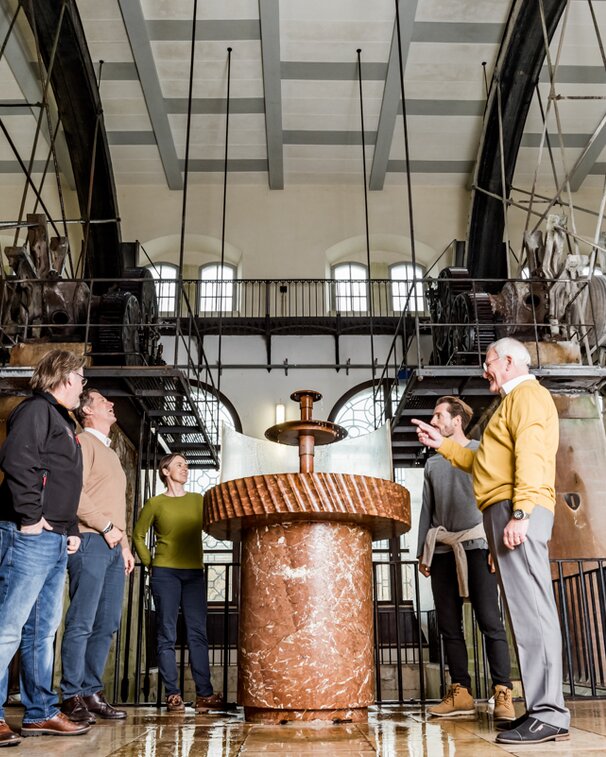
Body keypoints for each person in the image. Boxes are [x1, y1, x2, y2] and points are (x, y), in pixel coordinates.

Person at [413, 337, 570, 745]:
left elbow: (533, 456)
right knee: (523, 614)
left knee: (533, 611)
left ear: (509, 361)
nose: (485, 370)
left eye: (488, 363)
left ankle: (550, 713)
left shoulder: (529, 397)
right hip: (503, 509)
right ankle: (539, 709)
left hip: (517, 510)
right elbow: (481, 463)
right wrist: (442, 445)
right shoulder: (508, 405)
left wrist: (521, 513)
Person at [0, 349, 91, 744]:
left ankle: (40, 713)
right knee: (7, 628)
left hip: (54, 537)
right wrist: (30, 517)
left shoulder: (61, 418)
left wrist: (69, 527)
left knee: (41, 631)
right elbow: (19, 462)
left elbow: (62, 481)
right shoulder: (35, 410)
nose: (84, 385)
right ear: (66, 377)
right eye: (82, 378)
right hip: (30, 534)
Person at [417, 396, 514, 720]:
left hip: (477, 545)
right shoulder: (432, 463)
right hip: (443, 548)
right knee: (448, 624)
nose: (433, 420)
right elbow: (427, 510)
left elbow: (495, 497)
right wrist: (422, 551)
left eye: (438, 415)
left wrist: (495, 547)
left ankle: (502, 691)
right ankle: (461, 691)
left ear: (456, 420)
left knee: (489, 619)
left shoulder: (478, 452)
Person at [60, 389, 135, 724]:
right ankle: (71, 694)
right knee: (82, 620)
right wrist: (106, 528)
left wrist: (124, 545)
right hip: (90, 540)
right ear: (87, 411)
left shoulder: (111, 453)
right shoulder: (82, 443)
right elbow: (73, 494)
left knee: (107, 623)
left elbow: (114, 504)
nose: (111, 404)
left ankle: (91, 691)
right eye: (103, 401)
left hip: (112, 547)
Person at [132, 453, 222, 713]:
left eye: (186, 465)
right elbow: (138, 535)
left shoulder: (198, 500)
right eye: (179, 464)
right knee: (166, 634)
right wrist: (151, 563)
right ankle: (173, 694)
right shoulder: (155, 503)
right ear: (165, 471)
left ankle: (204, 695)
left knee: (198, 633)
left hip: (194, 574)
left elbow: (213, 526)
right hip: (165, 574)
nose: (186, 468)